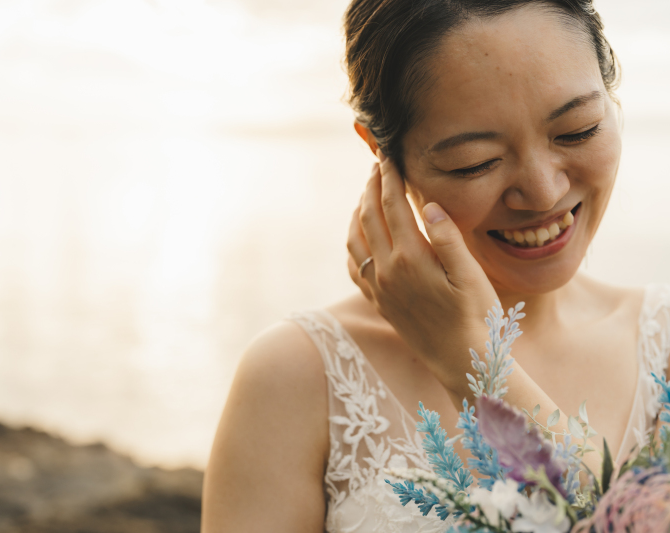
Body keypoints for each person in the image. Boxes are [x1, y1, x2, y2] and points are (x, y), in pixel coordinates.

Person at [201, 0, 670, 531]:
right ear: (383, 155)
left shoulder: (664, 344)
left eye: (577, 130)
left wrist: (472, 363)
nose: (543, 192)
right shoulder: (296, 377)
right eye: (476, 163)